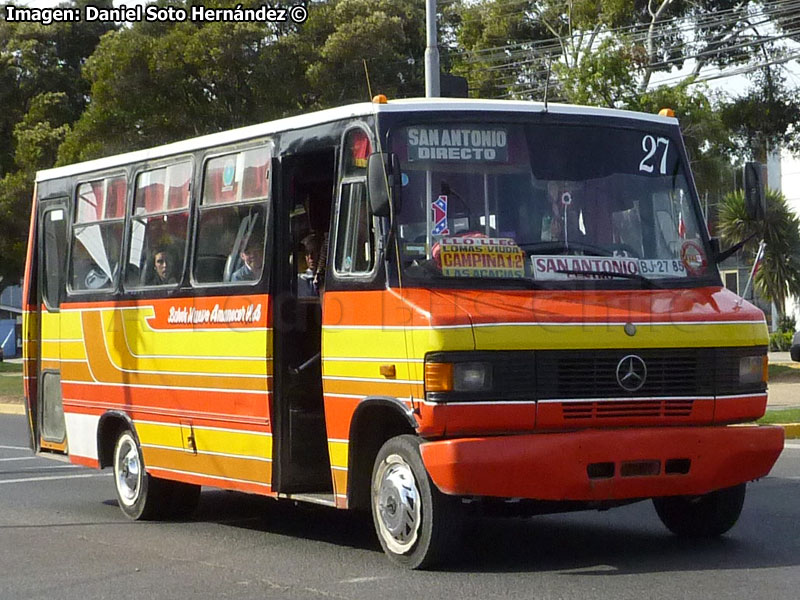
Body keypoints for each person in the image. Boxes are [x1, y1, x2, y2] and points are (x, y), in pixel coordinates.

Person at [298, 232, 322, 297]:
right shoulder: (299, 280)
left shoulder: (326, 280)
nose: (311, 257)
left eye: (314, 252)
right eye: (307, 253)